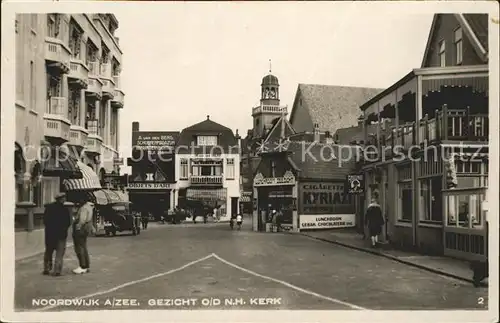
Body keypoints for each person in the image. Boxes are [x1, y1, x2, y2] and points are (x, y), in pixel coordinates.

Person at [43, 193, 71, 276]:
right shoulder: (65, 209)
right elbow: (68, 222)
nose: (64, 199)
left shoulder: (49, 208)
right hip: (61, 234)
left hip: (50, 234)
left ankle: (47, 268)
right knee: (59, 253)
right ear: (61, 199)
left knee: (48, 251)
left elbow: (45, 220)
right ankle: (57, 270)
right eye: (64, 198)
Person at [72, 195, 94, 274]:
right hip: (85, 229)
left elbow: (82, 220)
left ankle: (82, 266)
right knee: (83, 247)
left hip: (81, 229)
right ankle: (86, 265)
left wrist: (78, 227)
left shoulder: (84, 208)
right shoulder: (89, 207)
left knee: (79, 247)